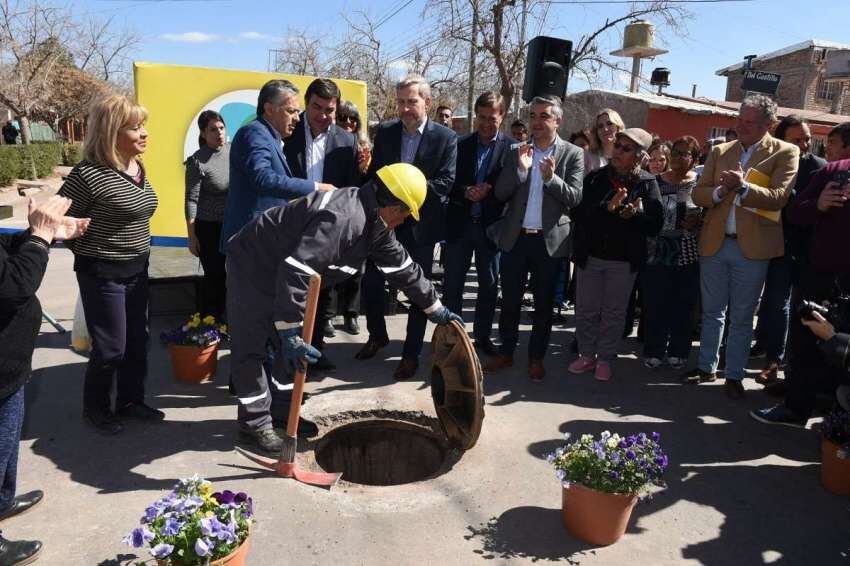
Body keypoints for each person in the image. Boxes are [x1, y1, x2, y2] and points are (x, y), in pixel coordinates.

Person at [226, 163, 462, 453]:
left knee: (291, 355)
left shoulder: (373, 223)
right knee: (253, 346)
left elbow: (402, 267)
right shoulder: (345, 218)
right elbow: (298, 270)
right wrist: (288, 330)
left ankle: (283, 415)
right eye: (404, 213)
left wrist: (433, 306)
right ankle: (254, 425)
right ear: (390, 205)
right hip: (254, 266)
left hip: (287, 274)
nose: (403, 221)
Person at [59, 94, 164, 434]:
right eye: (135, 128)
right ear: (111, 133)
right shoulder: (87, 174)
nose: (144, 133)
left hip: (138, 268)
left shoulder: (136, 167)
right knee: (111, 347)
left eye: (143, 125)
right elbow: (57, 220)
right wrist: (72, 228)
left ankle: (130, 401)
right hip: (102, 273)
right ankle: (96, 408)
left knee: (137, 341)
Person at [683, 94, 799, 400]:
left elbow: (778, 197)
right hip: (715, 242)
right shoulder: (721, 150)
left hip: (754, 248)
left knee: (743, 315)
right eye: (740, 120)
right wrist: (722, 190)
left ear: (769, 124)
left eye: (750, 122)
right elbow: (698, 195)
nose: (742, 127)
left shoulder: (786, 152)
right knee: (712, 312)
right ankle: (707, 366)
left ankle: (733, 375)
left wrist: (744, 186)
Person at [0, 196, 89, 566]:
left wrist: (42, 235)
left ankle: (3, 502)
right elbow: (15, 283)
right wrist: (39, 236)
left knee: (7, 439)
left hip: (10, 364)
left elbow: (4, 252)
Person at [357, 74, 457, 382]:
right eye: (400, 102)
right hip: (384, 224)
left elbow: (446, 182)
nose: (404, 109)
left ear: (426, 102)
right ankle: (377, 335)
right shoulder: (386, 132)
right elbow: (375, 176)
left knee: (417, 290)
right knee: (372, 282)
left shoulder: (445, 138)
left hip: (421, 227)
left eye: (411, 102)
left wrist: (408, 193)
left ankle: (410, 354)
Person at [484, 96, 583, 382]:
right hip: (516, 239)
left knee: (543, 306)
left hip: (548, 243)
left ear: (558, 121)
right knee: (511, 301)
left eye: (544, 116)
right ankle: (506, 352)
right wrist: (520, 171)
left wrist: (552, 178)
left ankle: (536, 358)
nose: (537, 122)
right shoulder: (516, 150)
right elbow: (500, 193)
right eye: (533, 116)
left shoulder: (572, 154)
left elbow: (575, 198)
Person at [751, 153, 850, 426]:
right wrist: (818, 204)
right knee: (804, 345)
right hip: (819, 276)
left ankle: (837, 420)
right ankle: (795, 410)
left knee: (843, 352)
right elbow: (796, 213)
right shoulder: (835, 170)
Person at [568, 128, 663, 381]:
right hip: (591, 257)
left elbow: (655, 224)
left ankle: (606, 358)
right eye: (617, 146)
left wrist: (635, 216)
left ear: (639, 156)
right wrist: (606, 209)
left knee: (614, 312)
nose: (618, 151)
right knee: (586, 309)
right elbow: (578, 214)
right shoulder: (596, 179)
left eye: (626, 148)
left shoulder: (646, 183)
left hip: (623, 261)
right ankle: (587, 355)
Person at [283, 79, 360, 363]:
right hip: (289, 222)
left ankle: (314, 351)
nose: (322, 115)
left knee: (321, 290)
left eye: (329, 109)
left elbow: (351, 188)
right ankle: (285, 353)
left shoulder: (346, 141)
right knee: (288, 290)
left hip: (325, 228)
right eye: (317, 107)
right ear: (306, 103)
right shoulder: (286, 132)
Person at [750, 115, 826, 385]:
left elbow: (810, 211)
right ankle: (760, 343)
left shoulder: (818, 168)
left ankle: (774, 360)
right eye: (797, 139)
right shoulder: (770, 162)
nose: (804, 145)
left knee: (779, 301)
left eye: (807, 139)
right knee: (763, 300)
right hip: (761, 239)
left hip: (793, 247)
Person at [220, 80, 335, 252]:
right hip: (250, 243)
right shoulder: (254, 133)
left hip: (264, 240)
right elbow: (263, 179)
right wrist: (317, 187)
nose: (297, 118)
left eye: (297, 112)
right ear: (269, 109)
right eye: (291, 111)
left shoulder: (272, 138)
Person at [443, 91, 514, 357]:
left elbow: (513, 187)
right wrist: (465, 191)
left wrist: (490, 191)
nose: (486, 123)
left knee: (488, 286)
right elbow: (446, 182)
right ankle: (453, 336)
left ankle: (482, 337)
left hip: (490, 228)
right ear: (475, 116)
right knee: (452, 286)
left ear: (502, 116)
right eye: (481, 118)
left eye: (491, 118)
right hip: (460, 226)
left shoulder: (511, 149)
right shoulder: (459, 145)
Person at [641, 136, 702, 370]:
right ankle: (654, 349)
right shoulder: (655, 181)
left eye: (684, 153)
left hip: (689, 252)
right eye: (675, 152)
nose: (677, 157)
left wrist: (698, 221)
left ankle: (679, 350)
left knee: (684, 305)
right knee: (656, 303)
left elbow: (709, 213)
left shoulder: (700, 183)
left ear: (695, 159)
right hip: (658, 251)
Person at [184, 110, 230, 321]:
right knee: (215, 277)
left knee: (238, 276)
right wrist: (192, 237)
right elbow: (191, 200)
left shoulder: (234, 151)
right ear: (203, 133)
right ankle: (211, 323)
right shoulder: (197, 162)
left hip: (234, 225)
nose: (218, 133)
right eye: (213, 129)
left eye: (221, 128)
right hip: (209, 228)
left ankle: (234, 321)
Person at [336, 100, 371, 176]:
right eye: (342, 117)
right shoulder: (328, 144)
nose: (348, 121)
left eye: (352, 118)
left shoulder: (364, 146)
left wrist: (362, 167)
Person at [584, 108, 625, 174]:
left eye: (609, 123)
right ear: (596, 132)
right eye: (600, 126)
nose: (605, 129)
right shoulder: (587, 157)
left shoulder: (626, 155)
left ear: (618, 127)